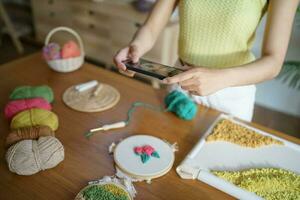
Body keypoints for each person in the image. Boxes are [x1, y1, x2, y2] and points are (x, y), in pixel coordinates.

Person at [114, 0, 299, 121]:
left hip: (231, 93)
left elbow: (273, 62)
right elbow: (152, 26)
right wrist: (136, 46)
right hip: (181, 81)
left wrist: (221, 78)